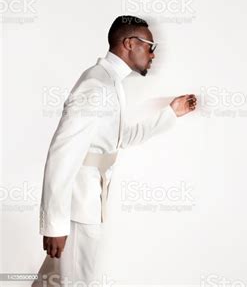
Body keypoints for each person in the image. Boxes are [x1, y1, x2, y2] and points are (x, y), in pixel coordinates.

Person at [32, 15, 197, 286]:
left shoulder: (111, 83)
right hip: (77, 206)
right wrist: (55, 225)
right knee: (72, 281)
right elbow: (61, 155)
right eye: (150, 46)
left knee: (50, 282)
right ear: (130, 43)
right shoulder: (96, 86)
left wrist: (171, 113)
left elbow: (120, 139)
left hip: (91, 200)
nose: (154, 55)